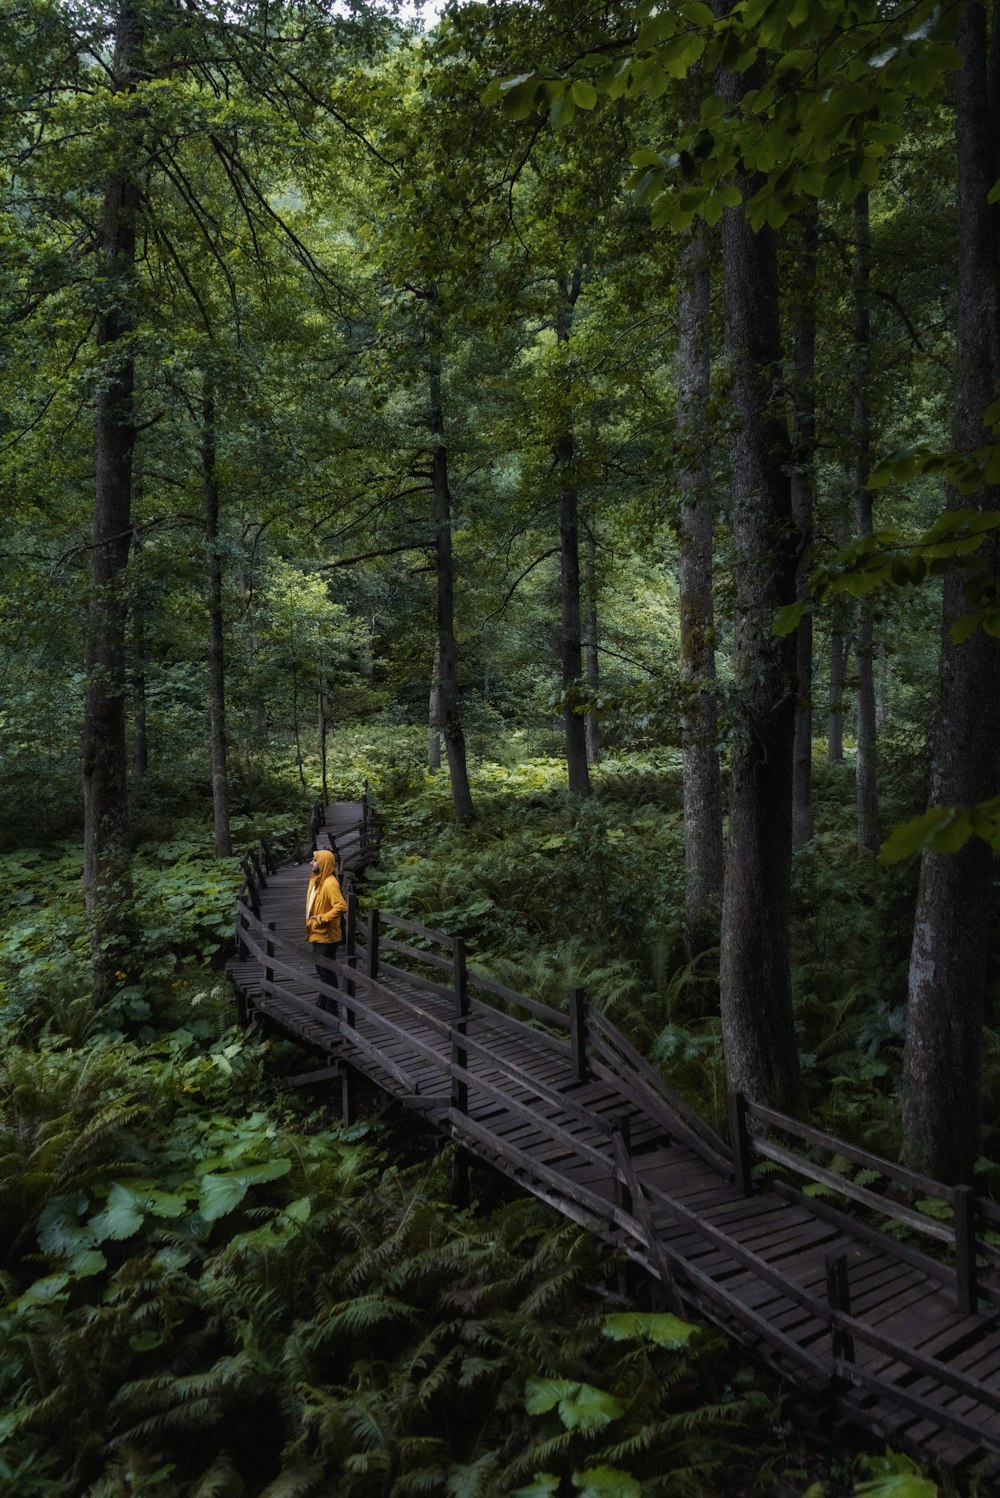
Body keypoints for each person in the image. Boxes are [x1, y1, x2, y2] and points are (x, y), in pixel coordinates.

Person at [305, 848, 347, 1006]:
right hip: (316, 933)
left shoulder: (330, 884)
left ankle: (332, 1011)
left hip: (327, 937)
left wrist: (322, 918)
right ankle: (322, 1006)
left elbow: (341, 906)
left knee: (327, 974)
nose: (311, 862)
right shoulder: (315, 880)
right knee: (322, 973)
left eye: (314, 860)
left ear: (323, 863)